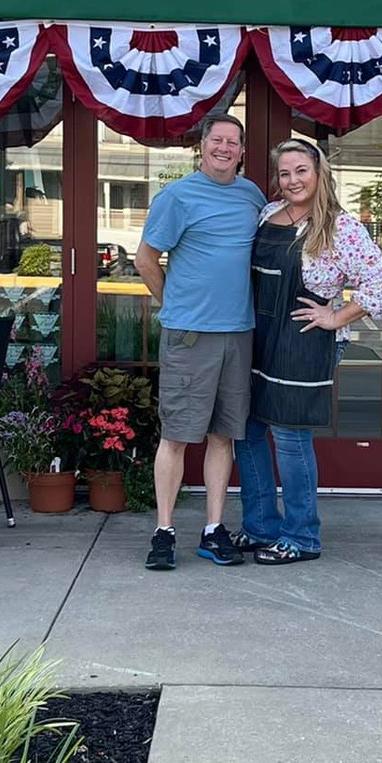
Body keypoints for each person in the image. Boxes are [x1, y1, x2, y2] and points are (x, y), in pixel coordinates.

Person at [232, 138, 382, 564]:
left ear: (319, 172)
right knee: (247, 434)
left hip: (303, 343)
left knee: (290, 437)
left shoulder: (341, 228)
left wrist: (336, 317)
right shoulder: (270, 214)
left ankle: (302, 537)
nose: (292, 181)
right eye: (284, 173)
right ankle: (260, 528)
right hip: (258, 337)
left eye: (300, 171)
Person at [134, 113, 266, 571]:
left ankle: (213, 529)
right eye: (217, 140)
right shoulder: (177, 196)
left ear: (242, 151)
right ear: (202, 145)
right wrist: (174, 304)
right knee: (176, 435)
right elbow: (146, 259)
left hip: (238, 332)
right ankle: (164, 531)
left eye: (233, 142)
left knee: (222, 435)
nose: (224, 148)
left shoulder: (252, 197)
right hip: (190, 335)